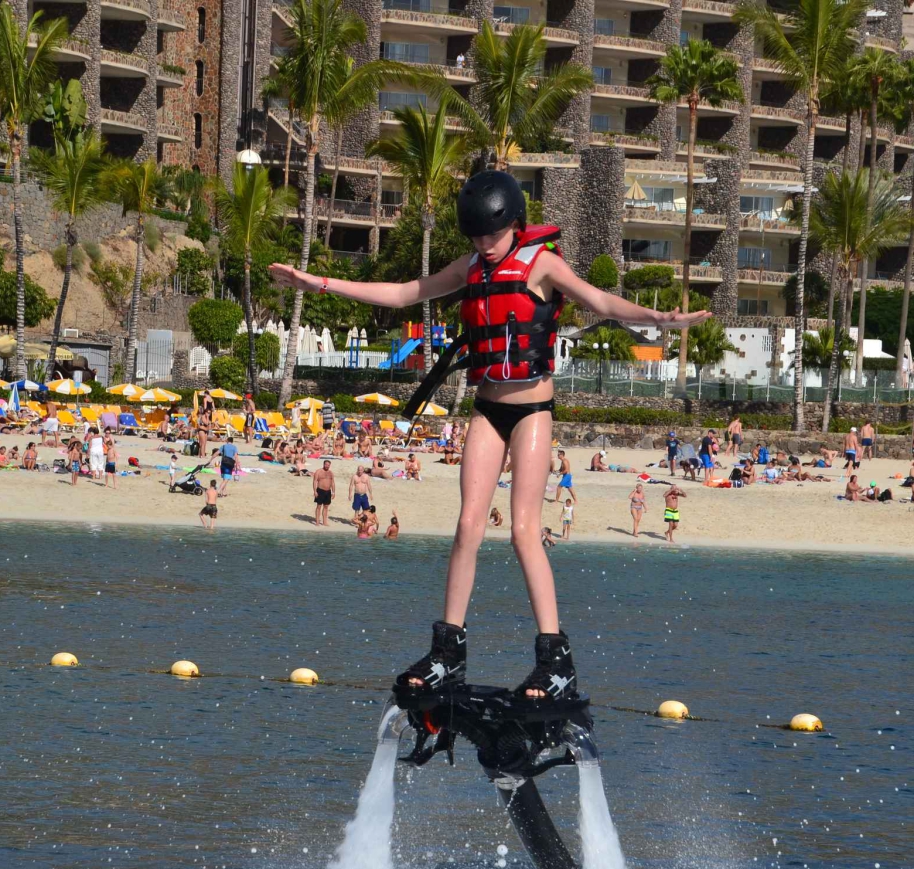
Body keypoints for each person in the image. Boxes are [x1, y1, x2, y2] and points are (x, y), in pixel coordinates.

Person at [269, 169, 707, 701]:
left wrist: (658, 317)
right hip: (487, 410)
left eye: (491, 237)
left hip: (532, 411)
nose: (484, 246)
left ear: (514, 224)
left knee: (524, 529)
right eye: (476, 238)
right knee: (467, 526)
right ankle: (447, 654)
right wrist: (317, 282)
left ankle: (555, 659)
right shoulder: (473, 266)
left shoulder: (541, 264)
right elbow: (405, 292)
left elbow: (602, 303)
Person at [313, 459, 335, 526]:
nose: (327, 466)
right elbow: (315, 481)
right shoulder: (318, 471)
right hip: (320, 490)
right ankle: (317, 521)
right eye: (326, 464)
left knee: (326, 506)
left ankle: (324, 522)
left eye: (328, 465)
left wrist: (333, 492)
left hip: (328, 491)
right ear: (323, 464)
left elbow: (333, 483)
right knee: (319, 506)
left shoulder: (331, 473)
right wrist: (315, 491)